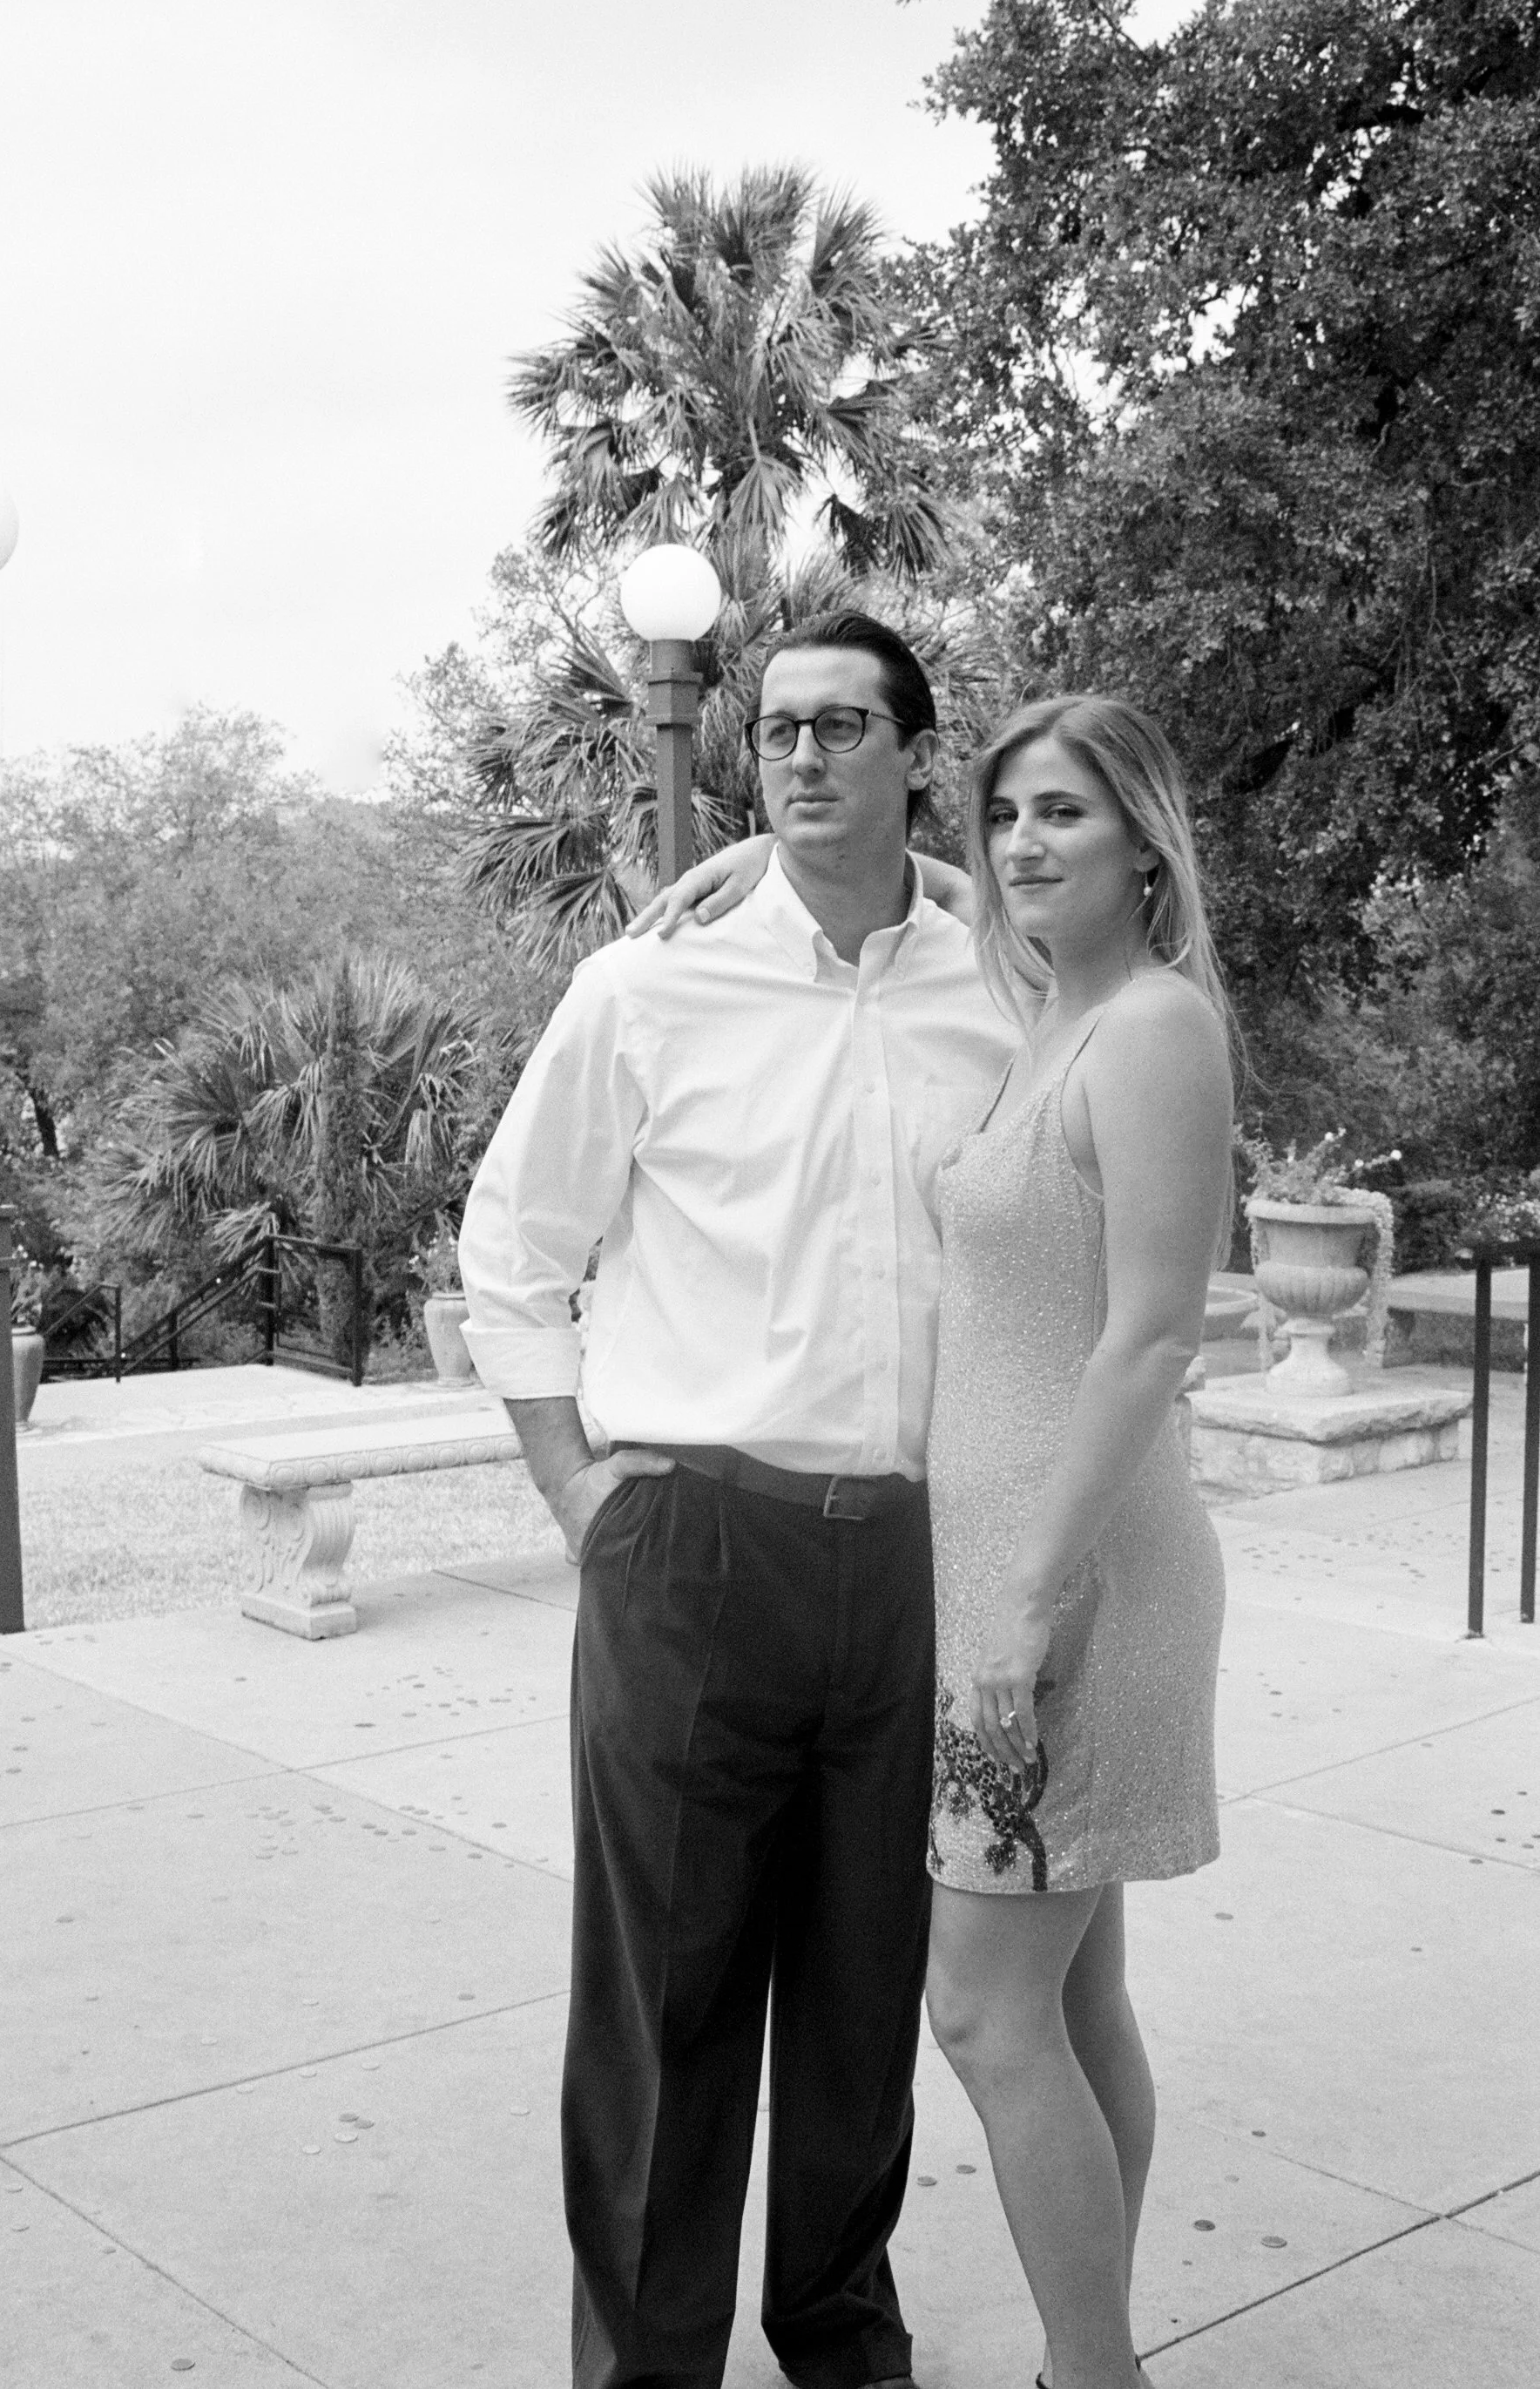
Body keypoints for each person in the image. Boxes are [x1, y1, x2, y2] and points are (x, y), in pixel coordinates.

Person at [641, 693, 1234, 2389]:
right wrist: (773, 846)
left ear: (1142, 837)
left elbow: (1143, 1337)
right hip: (1000, 1572)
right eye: (1010, 817)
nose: (1029, 842)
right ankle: (1090, 2359)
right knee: (1070, 1996)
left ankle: (1091, 2373)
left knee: (980, 2008)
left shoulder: (1146, 1032)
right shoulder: (1048, 1004)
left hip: (1065, 1584)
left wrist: (1026, 1602)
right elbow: (933, 887)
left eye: (1066, 811)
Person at [457, 607, 1017, 2389]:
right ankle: (644, 2364)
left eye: (841, 725)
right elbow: (512, 1244)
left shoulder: (999, 985)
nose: (795, 756)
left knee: (866, 1998)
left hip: (923, 1553)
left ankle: (840, 2333)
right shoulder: (647, 985)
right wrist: (578, 1489)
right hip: (690, 1543)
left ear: (912, 753)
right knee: (664, 2003)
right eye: (774, 727)